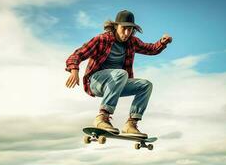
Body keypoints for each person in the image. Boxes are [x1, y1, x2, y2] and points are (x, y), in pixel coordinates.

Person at [65, 10, 172, 138]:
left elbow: (151, 49)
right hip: (96, 82)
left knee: (146, 85)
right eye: (124, 29)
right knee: (121, 73)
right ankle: (102, 118)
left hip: (117, 83)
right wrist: (74, 70)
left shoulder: (132, 42)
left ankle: (131, 124)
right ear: (116, 26)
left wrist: (163, 42)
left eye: (130, 30)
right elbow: (77, 54)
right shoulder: (101, 39)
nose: (127, 33)